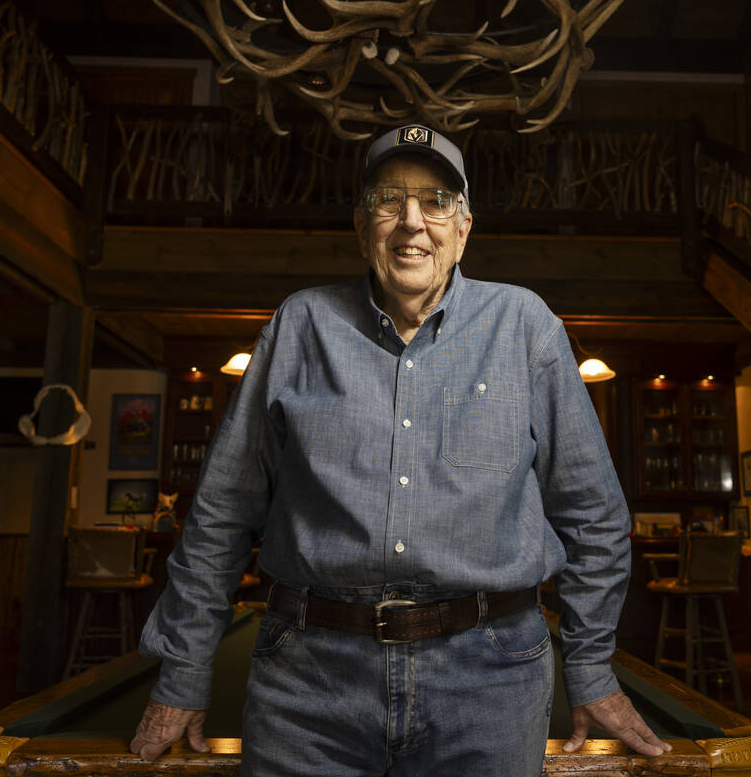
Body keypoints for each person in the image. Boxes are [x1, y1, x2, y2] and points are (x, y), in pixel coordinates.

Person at [130, 124, 670, 775]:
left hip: (491, 679)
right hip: (310, 678)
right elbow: (220, 513)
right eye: (389, 199)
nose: (413, 222)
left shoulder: (527, 327)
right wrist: (185, 671)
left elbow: (596, 516)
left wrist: (588, 663)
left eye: (437, 201)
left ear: (464, 227)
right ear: (362, 227)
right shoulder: (299, 325)